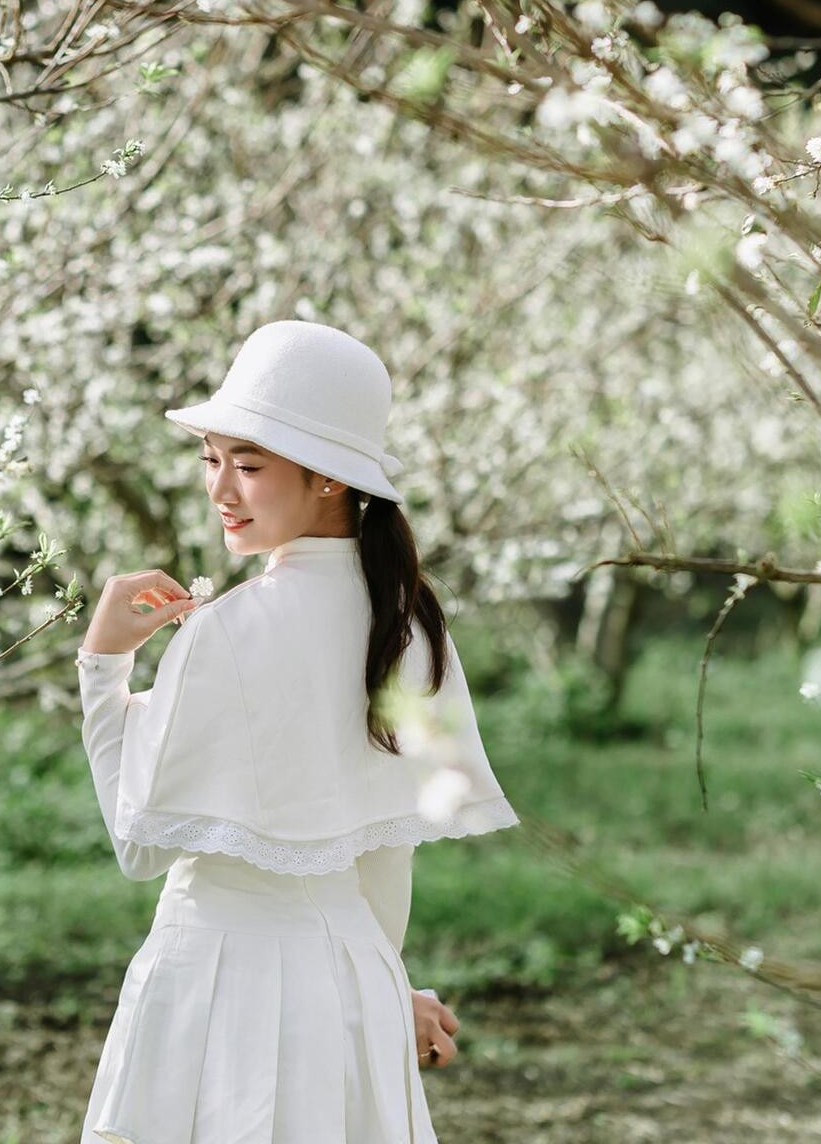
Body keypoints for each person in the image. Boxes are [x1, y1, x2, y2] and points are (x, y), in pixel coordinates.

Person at [74, 319, 521, 1143]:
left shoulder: (228, 630)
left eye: (249, 465)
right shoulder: (410, 623)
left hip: (217, 983)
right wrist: (384, 988)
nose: (221, 491)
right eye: (211, 460)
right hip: (350, 976)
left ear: (327, 480)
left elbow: (139, 846)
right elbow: (386, 852)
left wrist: (103, 670)